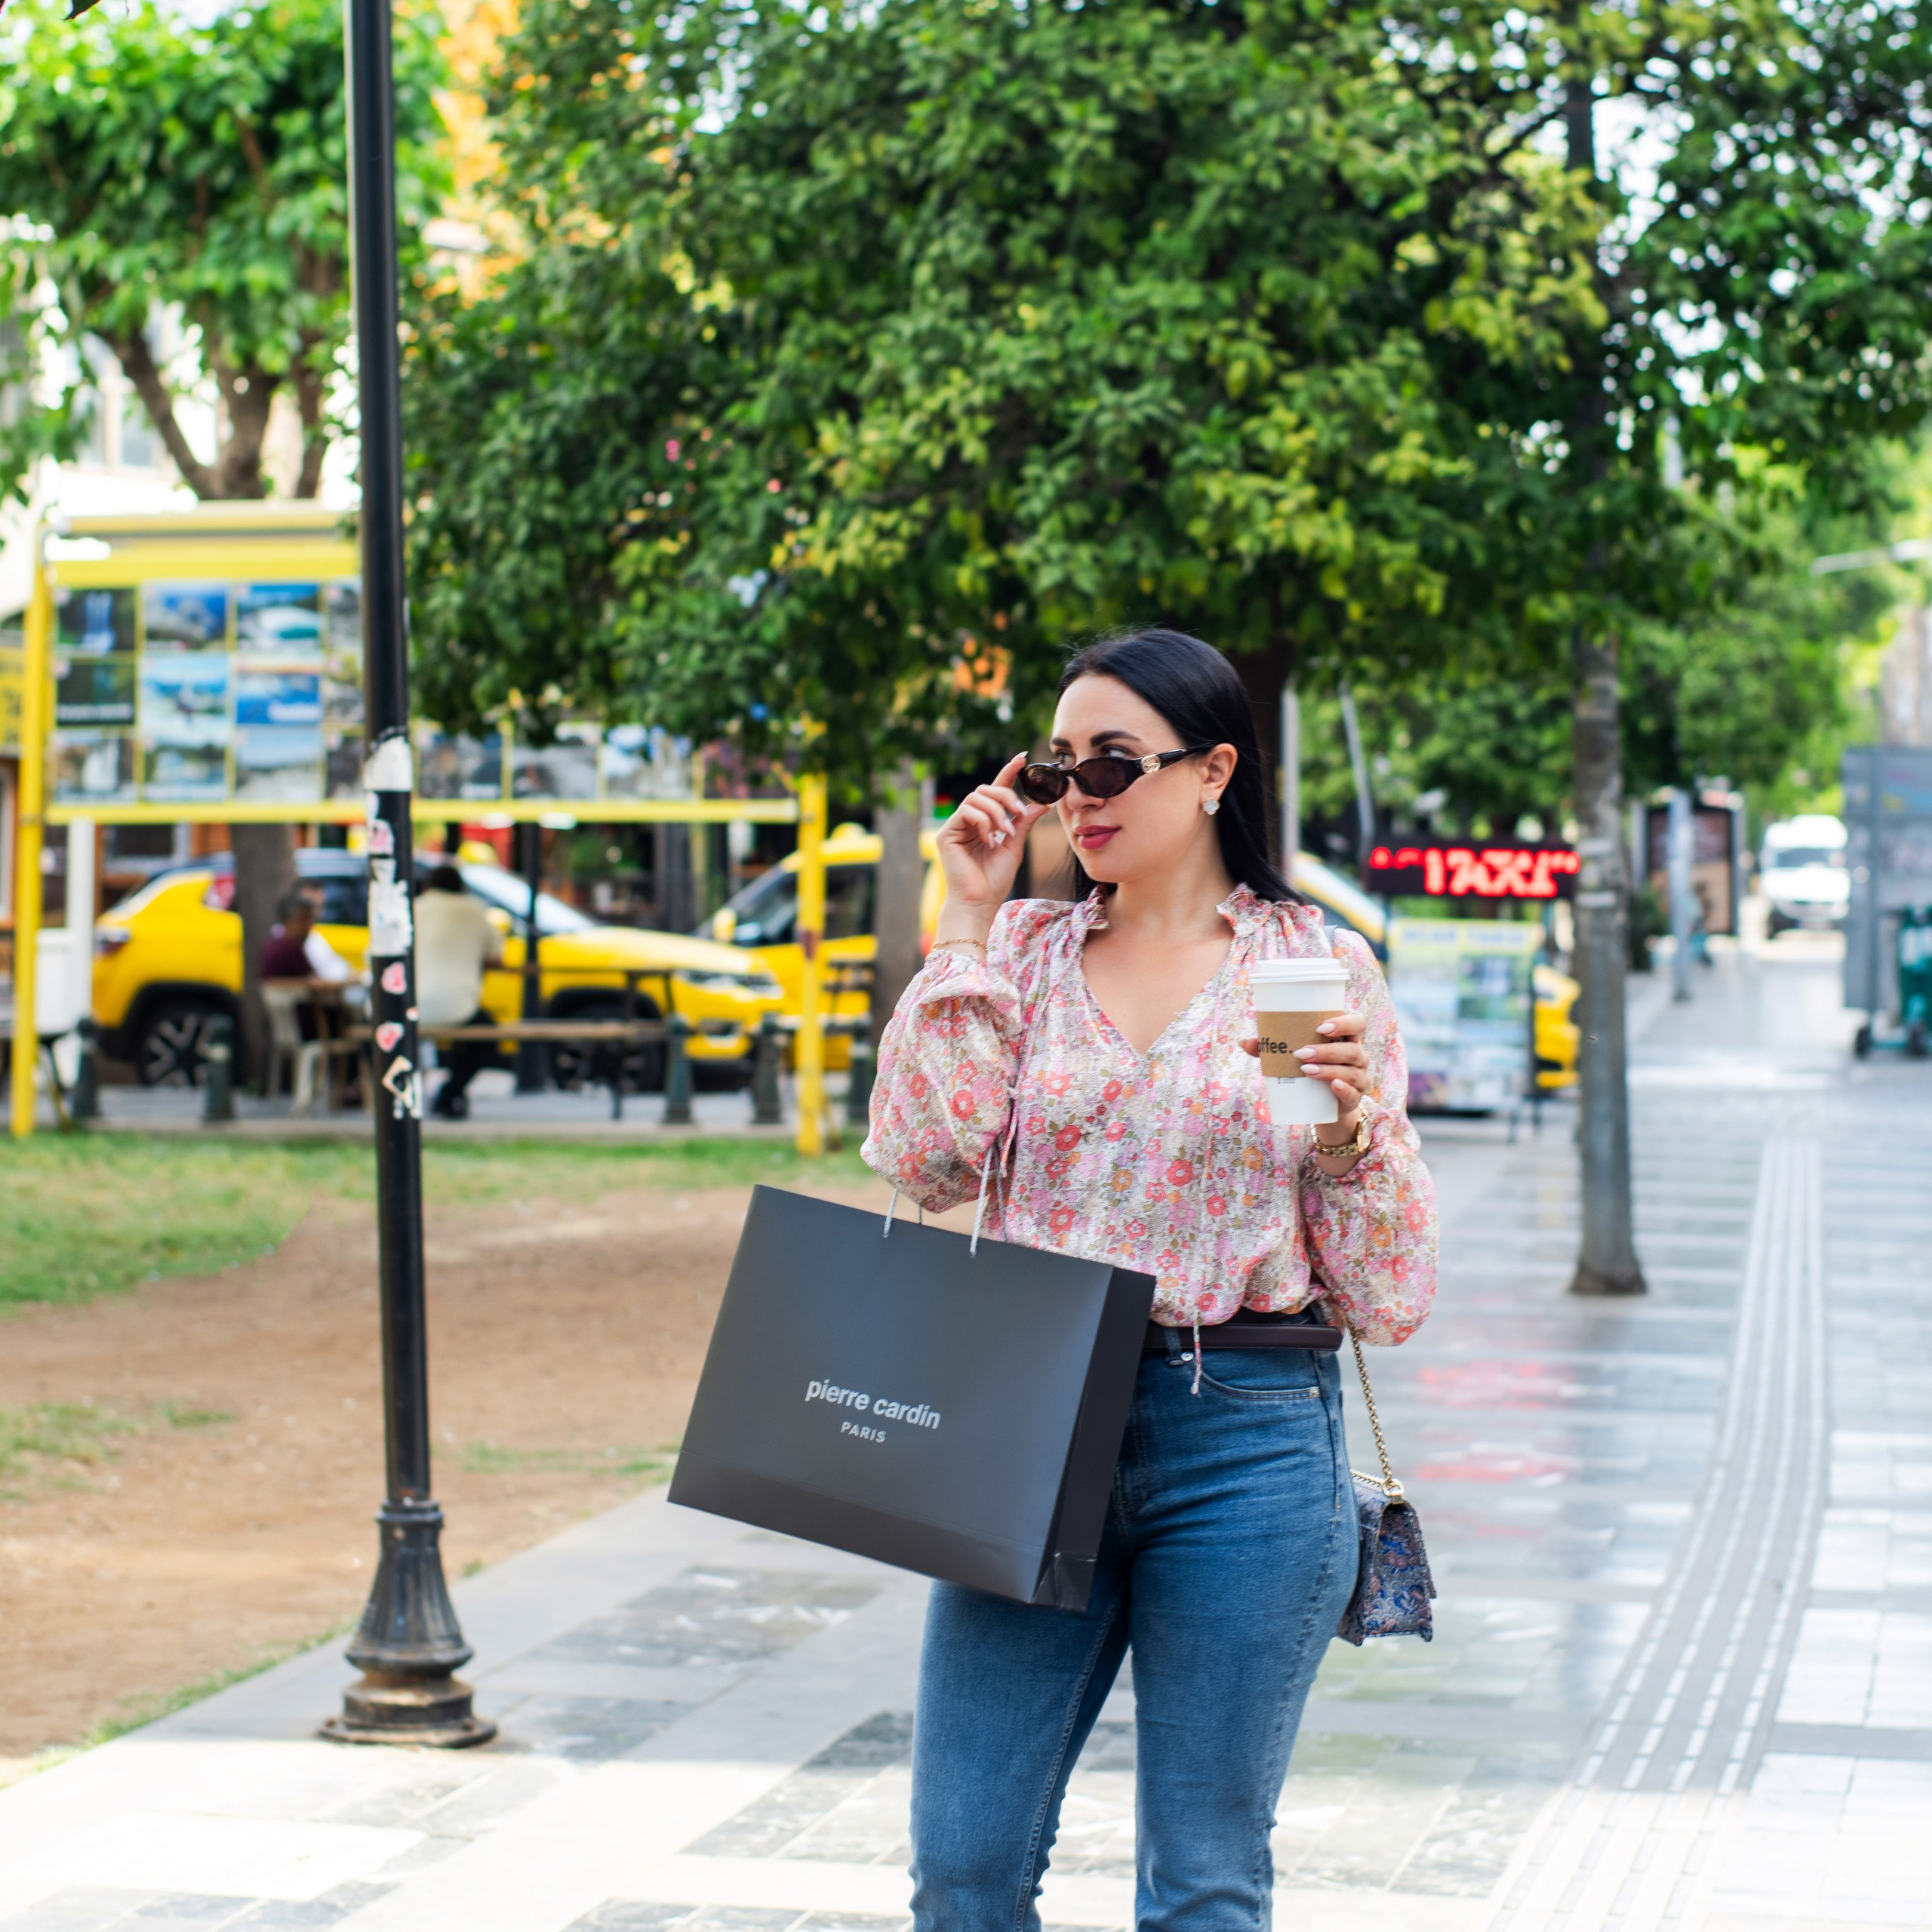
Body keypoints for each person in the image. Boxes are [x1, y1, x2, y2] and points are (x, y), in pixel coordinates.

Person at [863, 629, 1438, 1932]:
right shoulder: (1017, 952)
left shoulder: (1300, 968)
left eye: (1115, 764)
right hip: (1026, 1422)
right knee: (964, 1868)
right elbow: (924, 1159)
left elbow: (1387, 1293)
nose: (1082, 797)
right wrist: (961, 914)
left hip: (1244, 1431)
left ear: (1213, 770)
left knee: (1203, 1885)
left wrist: (1349, 1130)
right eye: (1062, 767)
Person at [416, 863, 505, 1119]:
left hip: (406, 1008)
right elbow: (496, 959)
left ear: (428, 887)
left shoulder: (411, 909)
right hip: (459, 1009)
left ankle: (436, 1096)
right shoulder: (476, 911)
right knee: (486, 1037)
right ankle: (450, 1092)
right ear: (461, 887)